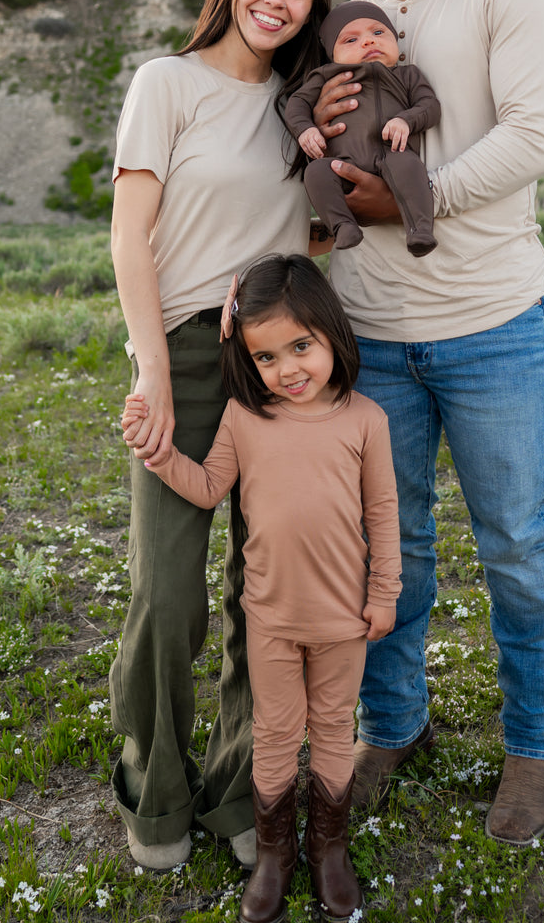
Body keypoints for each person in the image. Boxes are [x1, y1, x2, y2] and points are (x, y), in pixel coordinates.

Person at [311, 0, 544, 845]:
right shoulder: (347, 19)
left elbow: (537, 135)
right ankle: (395, 724)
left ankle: (536, 748)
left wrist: (408, 203)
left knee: (515, 543)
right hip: (370, 334)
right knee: (392, 544)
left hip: (492, 325)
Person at [108, 0, 332, 873]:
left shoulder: (304, 106)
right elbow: (130, 234)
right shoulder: (169, 83)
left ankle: (245, 783)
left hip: (280, 364)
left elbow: (319, 234)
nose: (278, 1)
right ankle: (154, 785)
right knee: (168, 592)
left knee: (266, 596)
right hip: (190, 360)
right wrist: (152, 366)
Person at [123, 254, 400, 923]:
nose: (289, 369)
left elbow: (384, 514)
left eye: (301, 346)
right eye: (268, 357)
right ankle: (275, 855)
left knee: (333, 729)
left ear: (332, 332)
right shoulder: (246, 421)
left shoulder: (365, 420)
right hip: (269, 620)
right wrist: (161, 455)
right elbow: (208, 487)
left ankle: (327, 849)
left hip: (343, 622)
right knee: (276, 734)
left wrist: (384, 594)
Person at [285, 1, 440, 256]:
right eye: (350, 40)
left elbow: (430, 105)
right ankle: (343, 226)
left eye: (378, 33)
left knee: (410, 169)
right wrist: (306, 129)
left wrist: (406, 120)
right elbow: (298, 103)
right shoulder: (326, 76)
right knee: (316, 172)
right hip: (343, 162)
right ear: (333, 55)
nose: (368, 42)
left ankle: (420, 229)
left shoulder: (407, 75)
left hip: (394, 154)